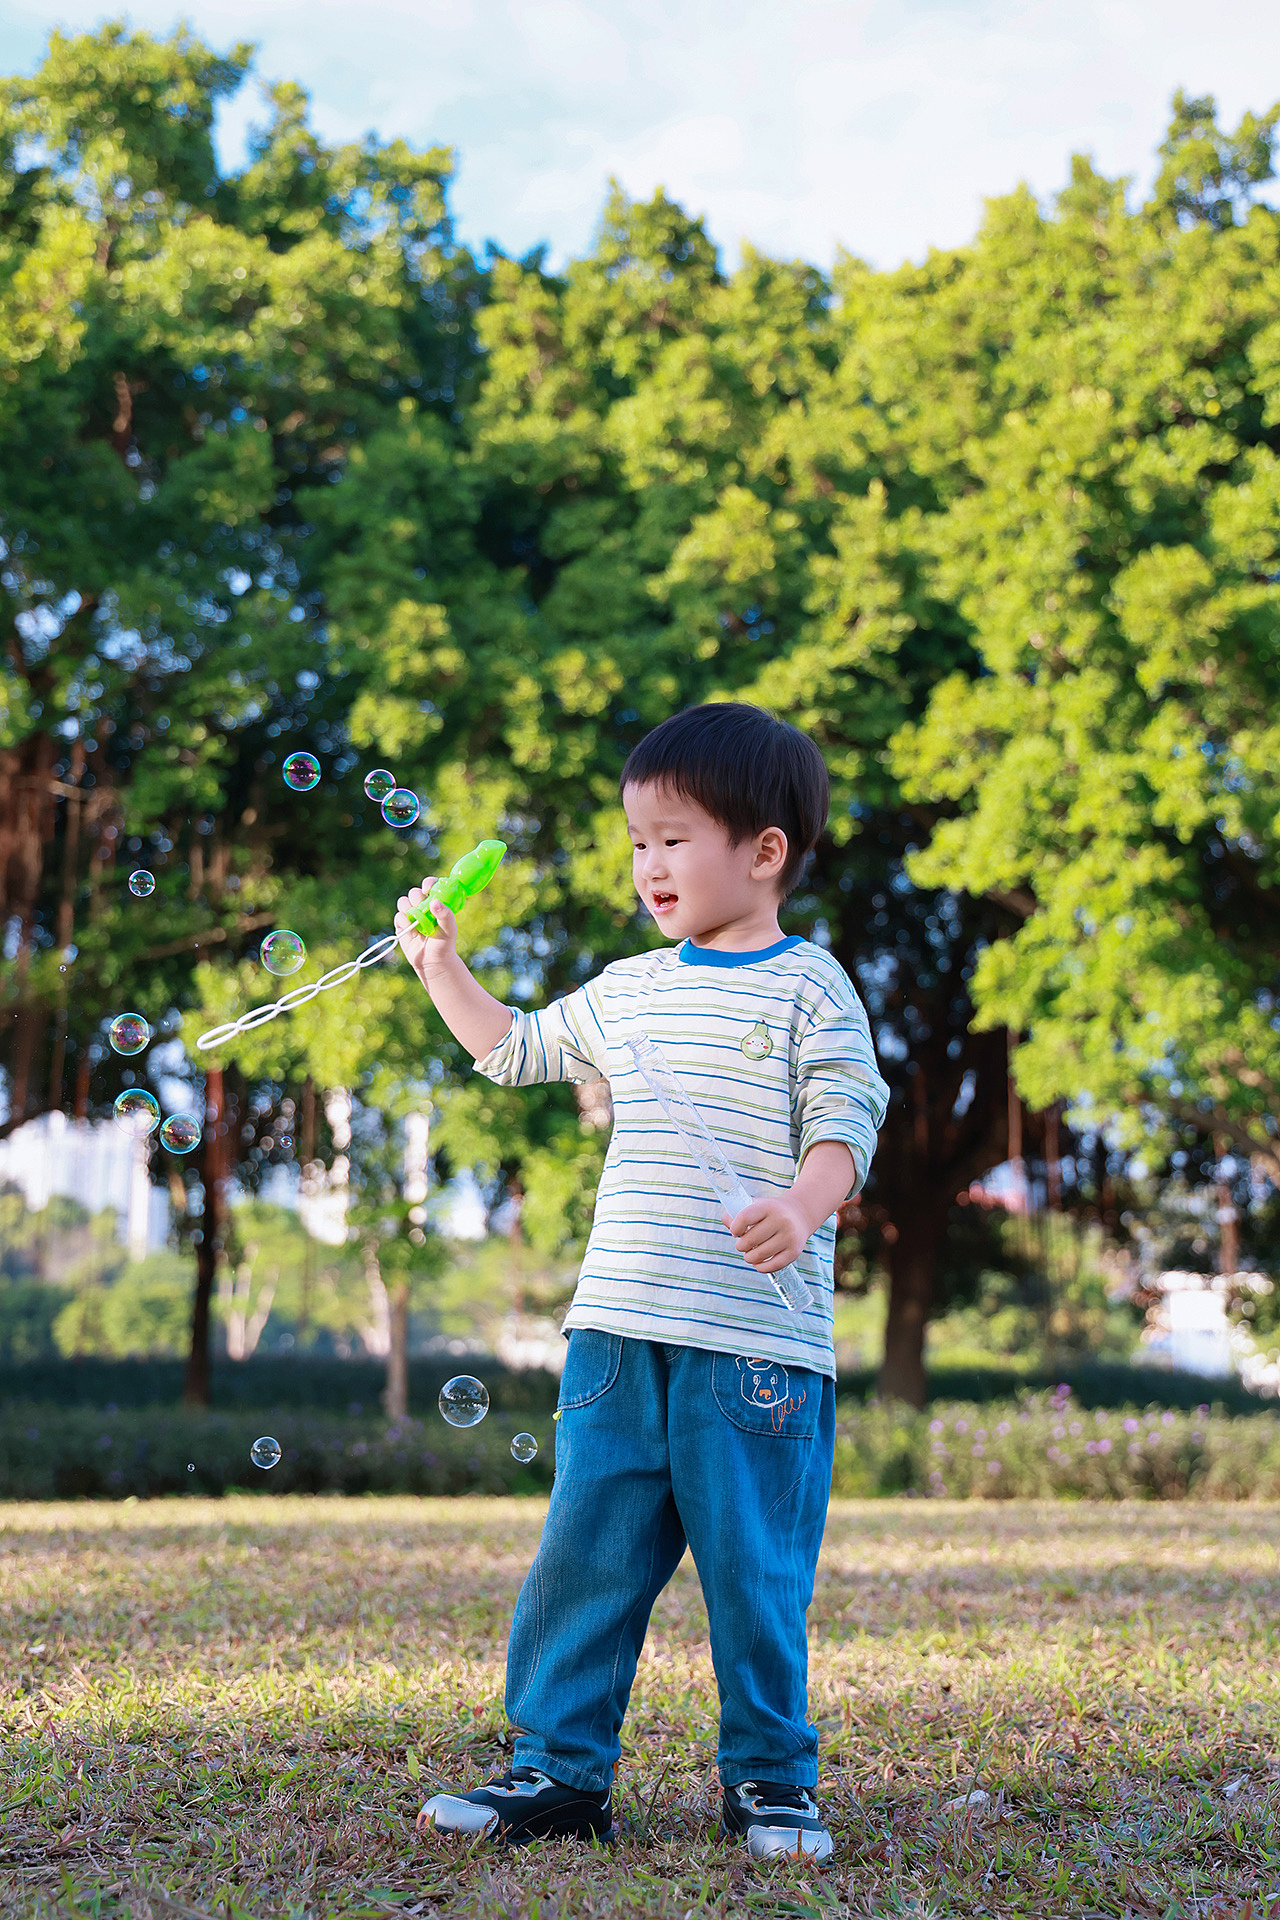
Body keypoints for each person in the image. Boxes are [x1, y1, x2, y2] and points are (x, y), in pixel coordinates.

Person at [394, 702, 889, 1859]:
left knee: (752, 1574)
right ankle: (557, 1770)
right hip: (614, 1333)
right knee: (584, 1556)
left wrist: (800, 1206)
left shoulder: (810, 988)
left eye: (673, 838)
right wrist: (438, 963)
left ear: (762, 852)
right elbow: (509, 1048)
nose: (648, 864)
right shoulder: (626, 987)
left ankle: (769, 1781)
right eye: (635, 842)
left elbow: (846, 1123)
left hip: (752, 1353)